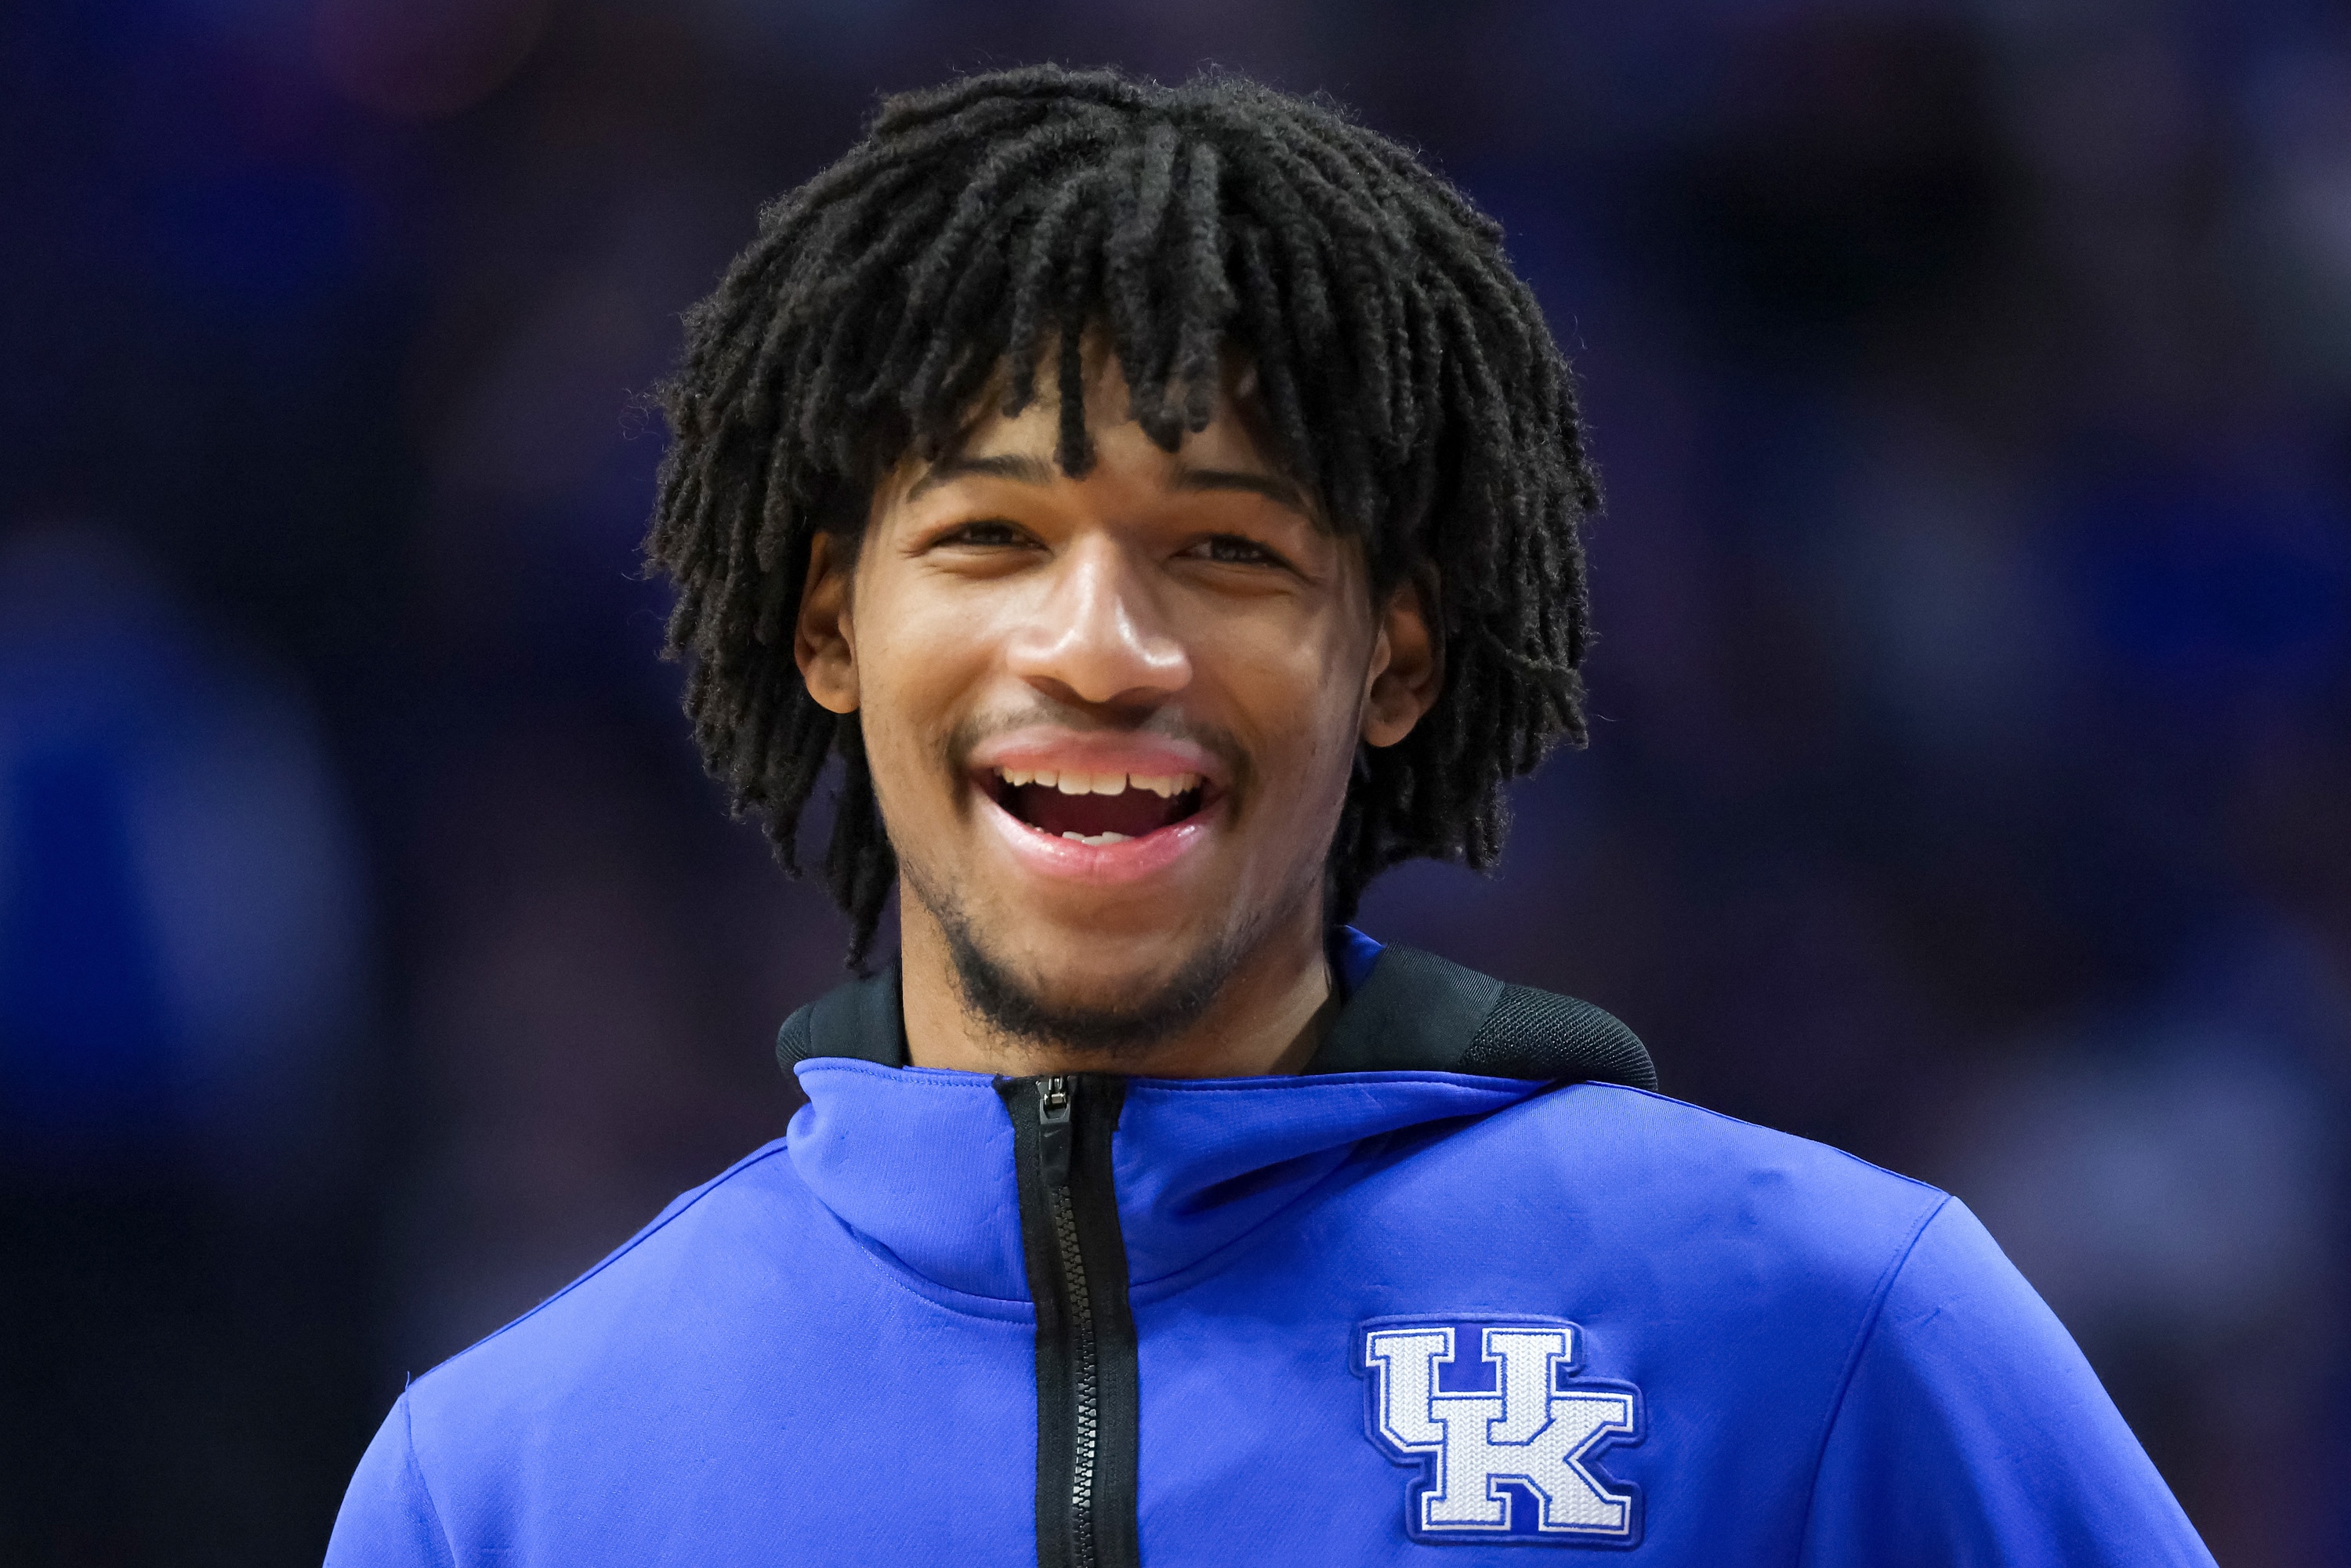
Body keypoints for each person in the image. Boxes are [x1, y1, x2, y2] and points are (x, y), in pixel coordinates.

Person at [327, 64, 2213, 1566]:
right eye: (988, 537)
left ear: (1391, 658)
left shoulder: (1818, 1336)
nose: (1099, 646)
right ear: (829, 624)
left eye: (1224, 548)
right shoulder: (508, 1485)